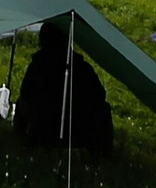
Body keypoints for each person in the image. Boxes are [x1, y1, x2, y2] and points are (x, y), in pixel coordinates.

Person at [13, 22, 113, 155]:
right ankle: (101, 149)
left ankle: (27, 140)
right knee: (103, 108)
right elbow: (100, 95)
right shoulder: (81, 66)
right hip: (79, 130)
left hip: (46, 129)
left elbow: (26, 94)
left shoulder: (38, 66)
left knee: (22, 103)